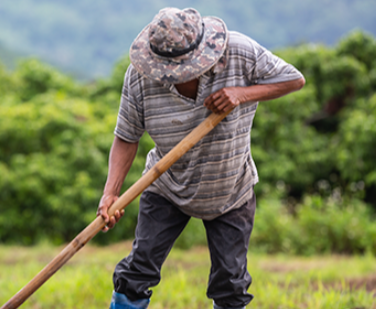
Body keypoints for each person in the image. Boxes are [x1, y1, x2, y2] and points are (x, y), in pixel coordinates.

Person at [97, 7, 305, 309]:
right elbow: (127, 136)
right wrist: (110, 193)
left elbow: (294, 79)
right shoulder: (140, 78)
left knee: (230, 285)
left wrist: (241, 94)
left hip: (230, 189)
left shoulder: (240, 53)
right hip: (166, 185)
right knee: (136, 272)